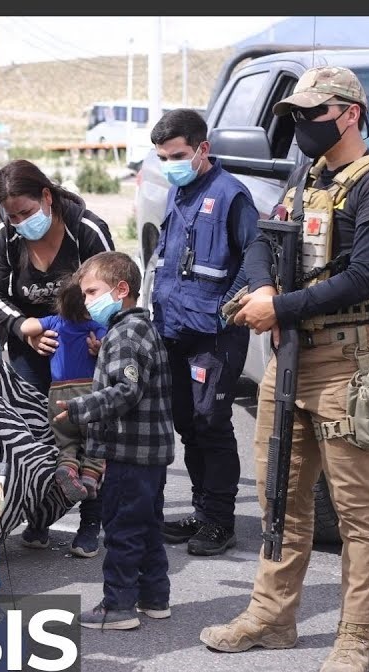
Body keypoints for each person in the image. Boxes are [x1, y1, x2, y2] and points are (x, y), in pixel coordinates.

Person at [211, 66, 369, 672]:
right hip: (290, 360)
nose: (300, 126)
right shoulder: (308, 177)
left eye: (312, 113)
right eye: (295, 116)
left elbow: (367, 275)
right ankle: (273, 617)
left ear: (349, 111)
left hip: (347, 365)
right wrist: (265, 287)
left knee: (357, 511)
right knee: (280, 494)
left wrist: (282, 308)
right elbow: (263, 241)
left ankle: (357, 638)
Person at [0, 159, 113, 550]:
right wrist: (24, 329)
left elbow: (113, 286)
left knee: (91, 436)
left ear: (46, 196)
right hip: (30, 352)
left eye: (26, 212)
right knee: (35, 438)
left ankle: (90, 524)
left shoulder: (87, 230)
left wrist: (103, 338)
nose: (21, 222)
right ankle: (38, 516)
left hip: (84, 355)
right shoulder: (3, 239)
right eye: (12, 216)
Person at [148, 109, 258, 557]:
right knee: (187, 424)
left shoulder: (231, 195)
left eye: (177, 155)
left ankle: (219, 521)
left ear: (202, 150)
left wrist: (222, 314)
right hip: (174, 329)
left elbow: (254, 261)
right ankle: (201, 510)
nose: (170, 163)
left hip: (213, 335)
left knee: (212, 424)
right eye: (162, 156)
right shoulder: (179, 190)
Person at [54, 251, 174, 630]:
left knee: (121, 529)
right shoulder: (142, 327)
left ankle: (117, 605)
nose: (87, 301)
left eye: (92, 292)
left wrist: (78, 409)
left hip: (129, 453)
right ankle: (154, 598)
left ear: (121, 290)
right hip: (151, 453)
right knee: (148, 527)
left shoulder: (123, 333)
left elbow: (126, 390)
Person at [17, 276, 106, 557]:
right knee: (96, 441)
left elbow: (27, 325)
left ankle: (66, 467)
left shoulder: (54, 322)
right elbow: (104, 345)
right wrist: (97, 348)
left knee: (64, 441)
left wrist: (34, 334)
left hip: (57, 396)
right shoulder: (95, 326)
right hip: (88, 392)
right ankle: (90, 478)